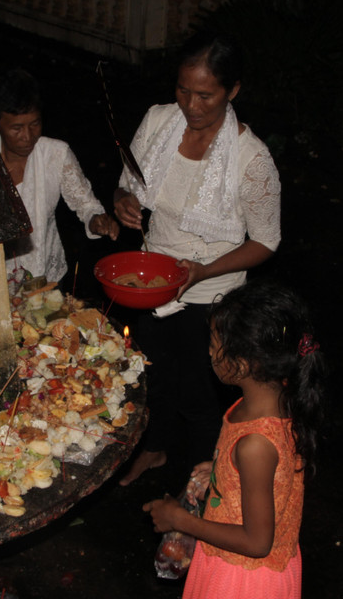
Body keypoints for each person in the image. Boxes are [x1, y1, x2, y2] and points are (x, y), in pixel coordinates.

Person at [113, 34, 281, 486]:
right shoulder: (158, 121)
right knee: (151, 376)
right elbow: (128, 180)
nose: (191, 104)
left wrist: (202, 271)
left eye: (205, 95)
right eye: (183, 90)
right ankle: (154, 449)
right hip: (149, 280)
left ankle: (205, 485)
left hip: (211, 294)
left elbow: (266, 242)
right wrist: (124, 200)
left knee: (200, 395)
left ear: (233, 91)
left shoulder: (252, 159)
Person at [143, 280, 327, 598]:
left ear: (241, 365)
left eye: (214, 347)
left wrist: (181, 520)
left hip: (243, 581)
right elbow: (268, 477)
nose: (209, 353)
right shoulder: (268, 399)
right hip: (233, 567)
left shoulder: (257, 443)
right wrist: (219, 472)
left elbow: (257, 542)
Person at [0, 68, 119, 283]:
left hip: (44, 277)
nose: (28, 137)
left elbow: (86, 204)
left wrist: (96, 220)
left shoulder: (56, 154)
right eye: (16, 128)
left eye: (35, 124)